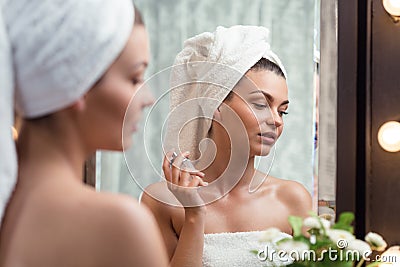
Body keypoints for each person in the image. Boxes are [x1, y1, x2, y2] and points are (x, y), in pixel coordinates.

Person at [0, 1, 168, 267]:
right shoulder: (121, 226)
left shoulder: (8, 211)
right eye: (135, 78)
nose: (148, 98)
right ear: (76, 83)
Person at [141, 25, 312, 267]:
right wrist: (194, 216)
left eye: (283, 111)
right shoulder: (162, 202)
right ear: (216, 104)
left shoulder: (292, 199)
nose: (275, 120)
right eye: (261, 104)